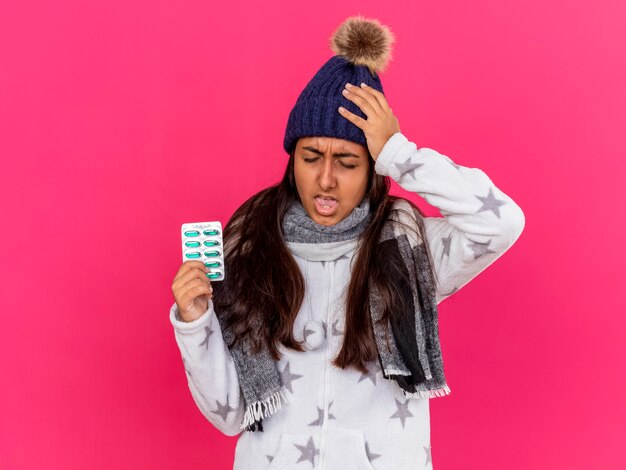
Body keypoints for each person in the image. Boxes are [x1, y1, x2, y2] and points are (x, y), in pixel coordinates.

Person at [169, 15, 525, 470]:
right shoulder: (248, 245)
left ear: (374, 166)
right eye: (311, 156)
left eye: (349, 162)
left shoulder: (410, 248)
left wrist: (399, 152)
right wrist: (195, 324)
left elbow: (502, 222)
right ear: (292, 157)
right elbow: (229, 413)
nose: (325, 179)